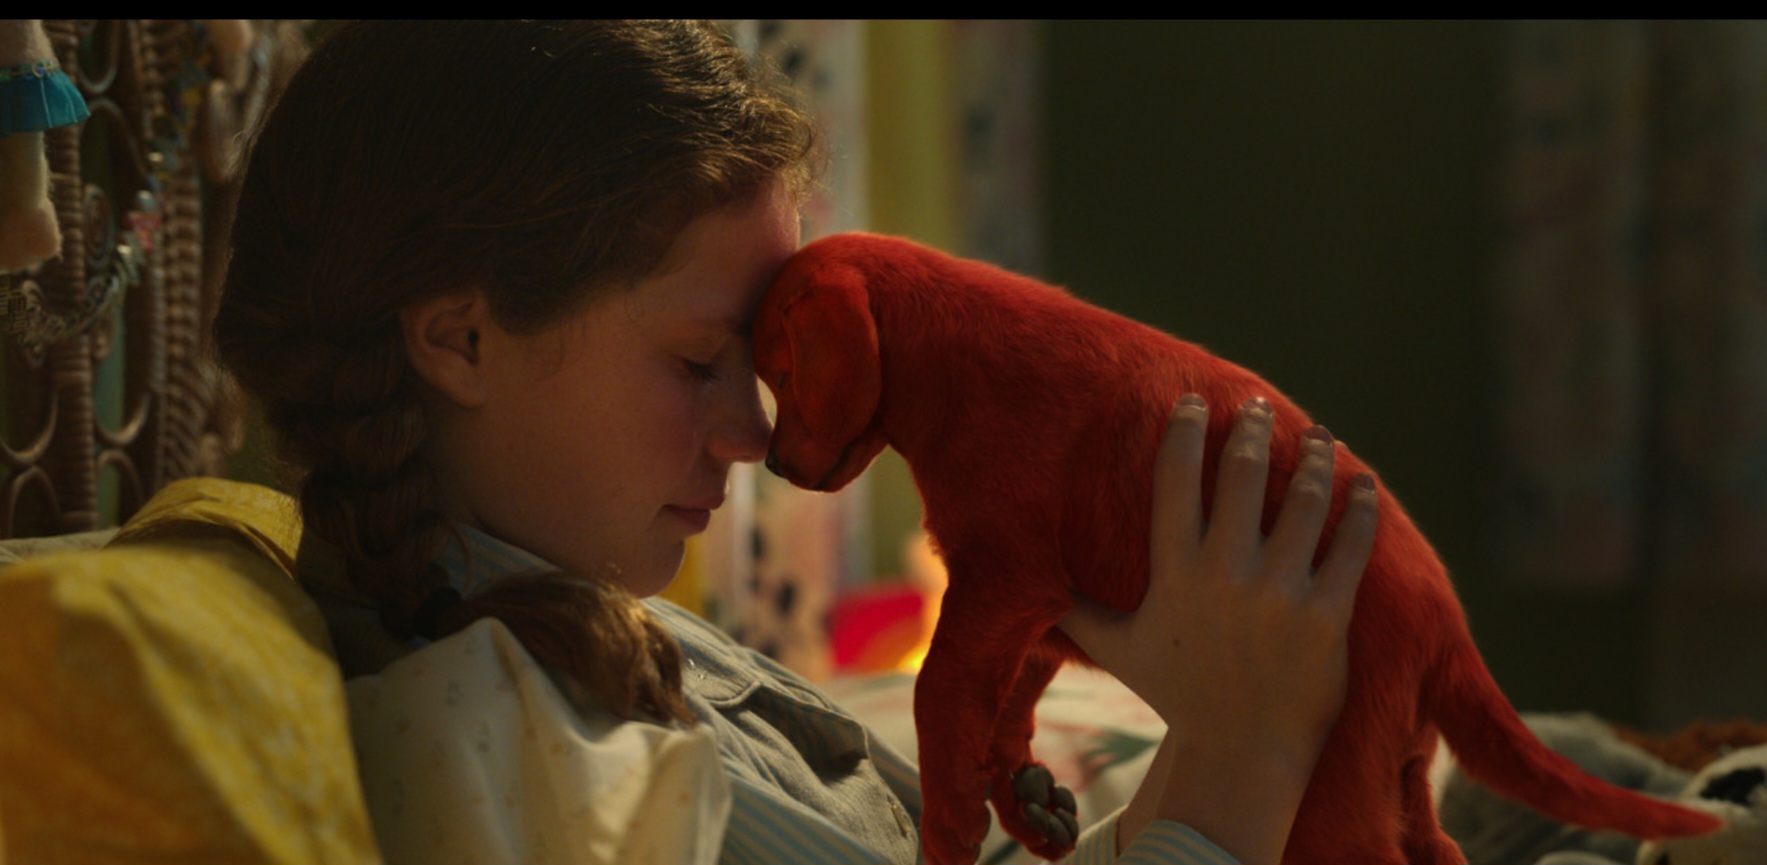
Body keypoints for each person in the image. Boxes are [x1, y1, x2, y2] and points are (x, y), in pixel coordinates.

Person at [211, 20, 1379, 865]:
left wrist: (1221, 712)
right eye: (696, 362)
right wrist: (1244, 751)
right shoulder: (512, 739)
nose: (751, 435)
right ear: (460, 340)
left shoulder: (576, 614)